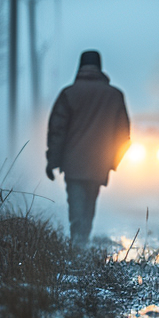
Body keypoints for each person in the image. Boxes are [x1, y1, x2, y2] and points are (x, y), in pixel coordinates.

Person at [46, 50, 130, 244]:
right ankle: (83, 238)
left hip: (73, 162)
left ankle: (77, 240)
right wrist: (112, 161)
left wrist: (52, 162)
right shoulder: (115, 96)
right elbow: (123, 135)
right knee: (90, 202)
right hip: (99, 163)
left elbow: (57, 131)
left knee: (75, 201)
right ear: (100, 67)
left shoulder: (69, 94)